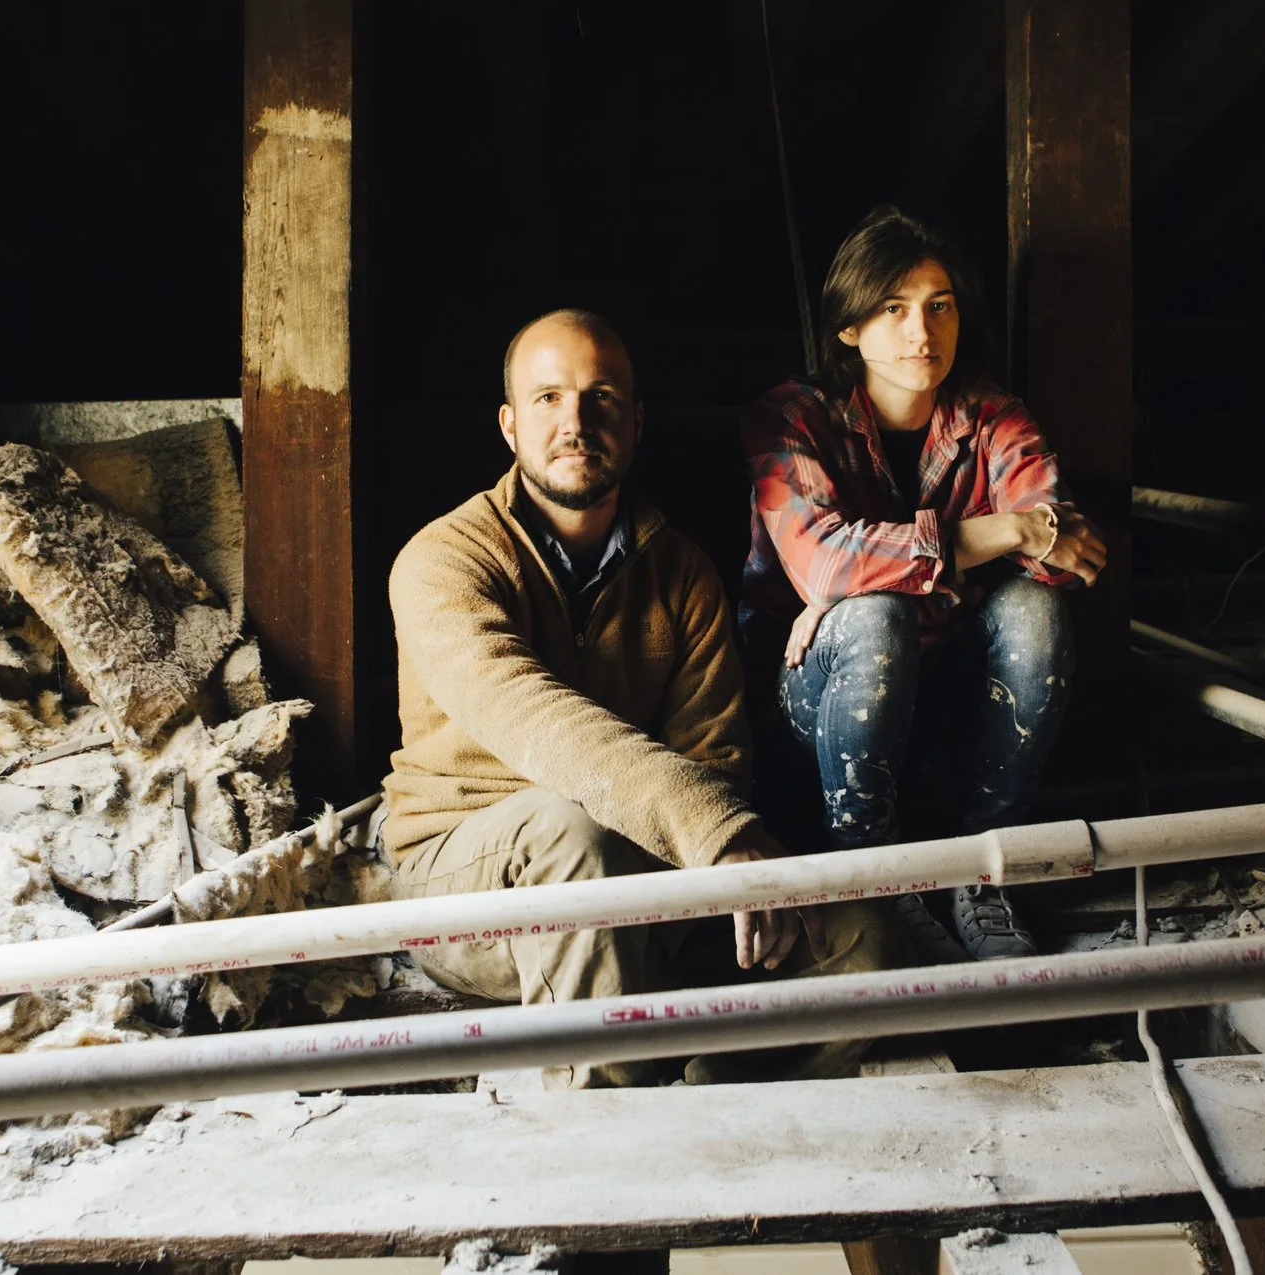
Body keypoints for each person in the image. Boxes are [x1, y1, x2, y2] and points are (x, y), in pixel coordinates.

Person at [379, 308, 896, 1088]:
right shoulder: (443, 559)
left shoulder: (683, 574)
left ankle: (710, 1092)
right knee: (571, 834)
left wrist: (712, 841)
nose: (576, 421)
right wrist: (715, 834)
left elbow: (715, 761)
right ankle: (619, 1151)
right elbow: (531, 719)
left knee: (860, 943)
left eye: (602, 398)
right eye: (548, 398)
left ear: (637, 419)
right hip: (464, 874)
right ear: (510, 425)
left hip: (642, 870)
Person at [742, 205, 1107, 962]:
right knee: (872, 618)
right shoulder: (793, 419)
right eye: (894, 309)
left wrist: (874, 571)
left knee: (1033, 611)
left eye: (938, 307)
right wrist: (999, 533)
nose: (922, 333)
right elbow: (825, 562)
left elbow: (1064, 558)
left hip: (947, 697)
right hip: (815, 706)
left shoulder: (992, 416)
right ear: (850, 326)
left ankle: (983, 872)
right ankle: (876, 883)